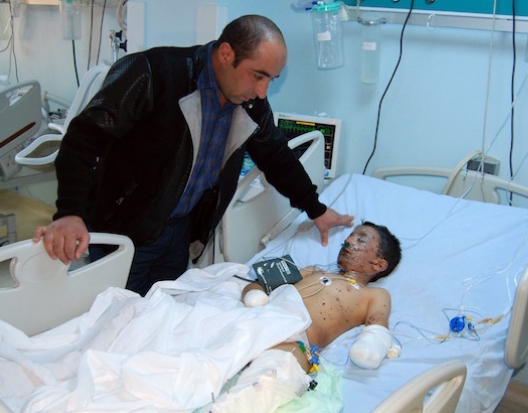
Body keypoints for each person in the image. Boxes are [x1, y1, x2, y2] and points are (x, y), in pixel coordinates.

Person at [32, 14, 353, 295]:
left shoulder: (250, 104)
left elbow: (276, 156)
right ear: (226, 54)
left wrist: (315, 209)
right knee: (117, 319)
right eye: (258, 75)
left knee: (162, 314)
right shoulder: (155, 73)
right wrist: (70, 212)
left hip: (180, 232)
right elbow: (83, 138)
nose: (262, 91)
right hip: (126, 228)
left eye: (272, 79)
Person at [210, 221, 402, 413]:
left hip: (296, 341)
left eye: (361, 240)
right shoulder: (313, 271)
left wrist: (370, 347)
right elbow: (259, 283)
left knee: (268, 380)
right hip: (261, 320)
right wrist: (254, 295)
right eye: (350, 235)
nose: (349, 240)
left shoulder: (374, 295)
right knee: (209, 361)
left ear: (378, 264)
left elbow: (377, 329)